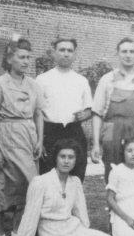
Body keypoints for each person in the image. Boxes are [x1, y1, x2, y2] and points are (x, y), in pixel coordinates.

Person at [0, 138, 126, 236]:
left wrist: (85, 235)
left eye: (71, 157)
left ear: (76, 160)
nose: (66, 161)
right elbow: (29, 218)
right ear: (56, 158)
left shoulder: (74, 182)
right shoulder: (40, 182)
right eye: (62, 156)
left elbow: (80, 214)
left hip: (72, 230)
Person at [0, 39, 44, 236]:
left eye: (28, 57)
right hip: (5, 138)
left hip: (27, 139)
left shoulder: (33, 85)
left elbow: (38, 114)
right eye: (21, 57)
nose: (26, 61)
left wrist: (39, 140)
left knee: (28, 187)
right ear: (9, 59)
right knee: (0, 188)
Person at [91, 37, 134, 182]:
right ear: (117, 54)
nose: (128, 55)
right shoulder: (107, 80)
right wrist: (95, 144)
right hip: (112, 131)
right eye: (124, 51)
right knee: (113, 173)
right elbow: (97, 113)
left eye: (132, 51)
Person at [36, 38, 92, 182]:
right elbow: (36, 112)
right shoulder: (42, 79)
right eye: (62, 50)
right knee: (48, 176)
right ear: (54, 53)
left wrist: (85, 115)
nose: (66, 54)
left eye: (70, 50)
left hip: (74, 132)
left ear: (74, 54)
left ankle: (72, 204)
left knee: (76, 175)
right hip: (50, 132)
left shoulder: (81, 80)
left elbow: (89, 109)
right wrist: (39, 140)